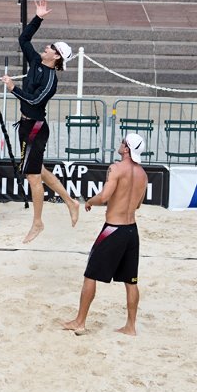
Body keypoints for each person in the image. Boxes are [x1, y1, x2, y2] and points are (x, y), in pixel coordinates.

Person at [0, 0, 80, 243]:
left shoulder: (51, 80)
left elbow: (34, 101)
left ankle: (37, 223)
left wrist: (13, 88)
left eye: (51, 47)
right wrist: (38, 18)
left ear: (56, 57)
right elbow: (23, 39)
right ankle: (70, 201)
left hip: (36, 127)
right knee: (40, 171)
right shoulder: (35, 62)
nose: (46, 47)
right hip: (25, 125)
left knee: (33, 176)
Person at [63, 134, 148, 337]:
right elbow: (137, 204)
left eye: (122, 142)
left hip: (113, 229)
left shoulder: (116, 168)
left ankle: (80, 322)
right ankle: (130, 326)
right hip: (131, 231)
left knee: (90, 274)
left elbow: (105, 196)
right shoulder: (143, 174)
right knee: (131, 281)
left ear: (126, 149)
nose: (119, 144)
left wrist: (90, 201)